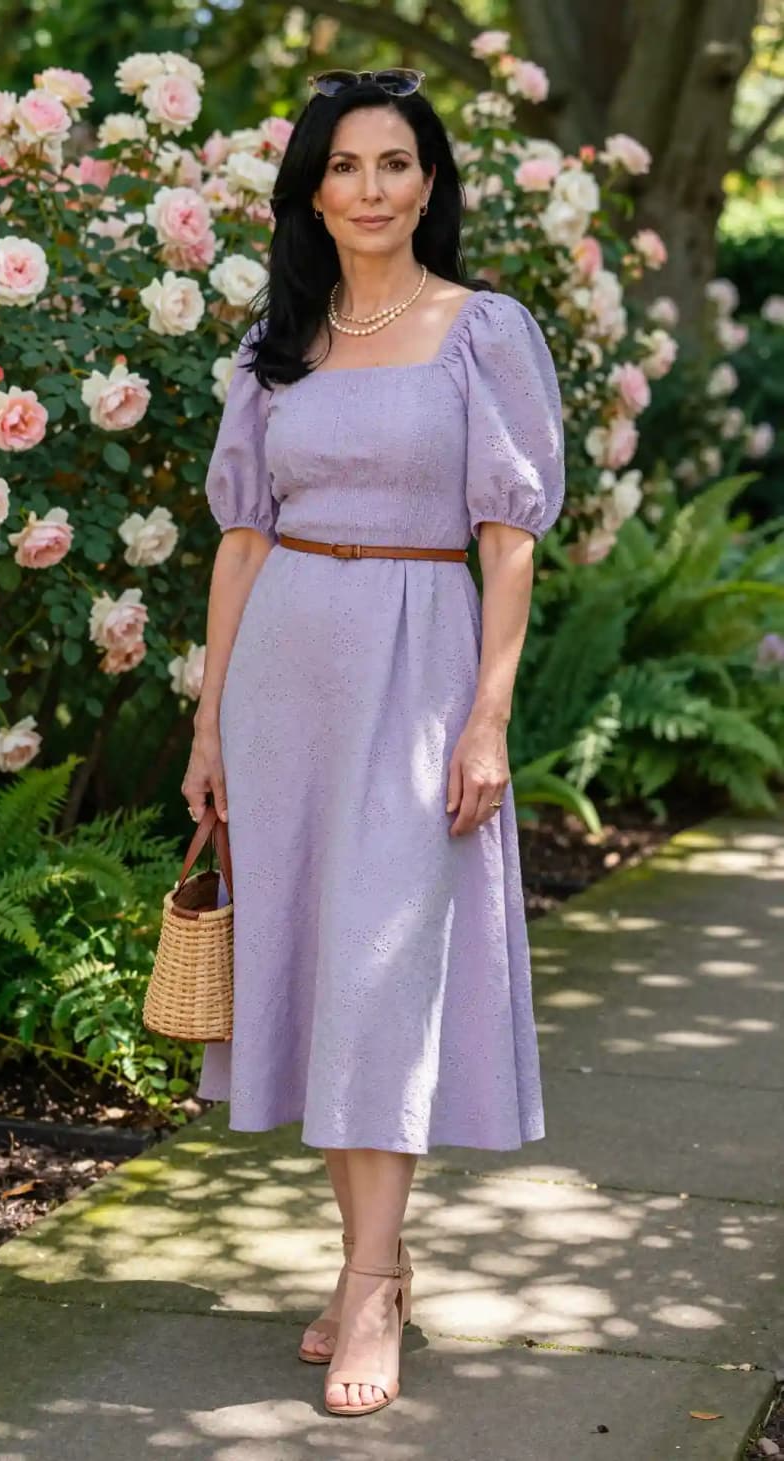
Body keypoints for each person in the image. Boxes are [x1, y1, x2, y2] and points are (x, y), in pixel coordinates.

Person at [181, 66, 565, 1419]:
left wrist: (489, 715)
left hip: (420, 666)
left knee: (384, 974)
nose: (371, 190)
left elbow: (508, 539)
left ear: (431, 182)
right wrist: (210, 722)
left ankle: (380, 1279)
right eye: (345, 167)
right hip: (286, 670)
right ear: (311, 189)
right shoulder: (274, 344)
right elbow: (239, 535)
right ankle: (359, 1262)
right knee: (324, 967)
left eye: (396, 164)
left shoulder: (484, 331)